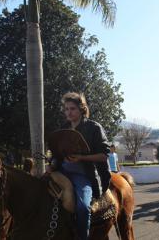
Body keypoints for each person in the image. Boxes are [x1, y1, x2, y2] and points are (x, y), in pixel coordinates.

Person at [48, 92, 111, 240]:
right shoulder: (63, 128)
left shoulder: (94, 127)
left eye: (72, 109)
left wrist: (82, 157)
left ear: (81, 109)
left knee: (83, 208)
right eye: (66, 109)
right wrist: (51, 165)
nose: (68, 112)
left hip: (84, 175)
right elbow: (57, 155)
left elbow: (103, 156)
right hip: (61, 172)